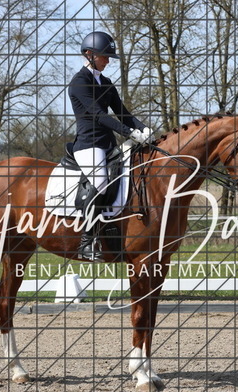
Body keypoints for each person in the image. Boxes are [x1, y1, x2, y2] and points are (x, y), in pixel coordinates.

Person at [68, 31, 151, 262]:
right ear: (89, 54)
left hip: (109, 145)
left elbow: (123, 113)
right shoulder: (79, 82)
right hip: (89, 145)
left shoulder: (105, 83)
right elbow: (99, 115)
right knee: (101, 182)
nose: (107, 61)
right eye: (104, 57)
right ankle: (86, 241)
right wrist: (129, 133)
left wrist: (144, 129)